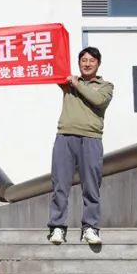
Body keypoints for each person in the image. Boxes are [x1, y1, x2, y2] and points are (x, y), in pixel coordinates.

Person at [48, 46, 114, 246]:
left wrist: (77, 84)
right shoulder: (68, 83)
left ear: (98, 64)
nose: (87, 64)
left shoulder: (105, 86)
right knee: (60, 184)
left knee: (91, 186)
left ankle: (90, 228)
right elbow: (52, 69)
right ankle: (57, 227)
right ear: (78, 63)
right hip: (65, 136)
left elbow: (98, 100)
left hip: (91, 139)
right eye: (83, 60)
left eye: (91, 60)